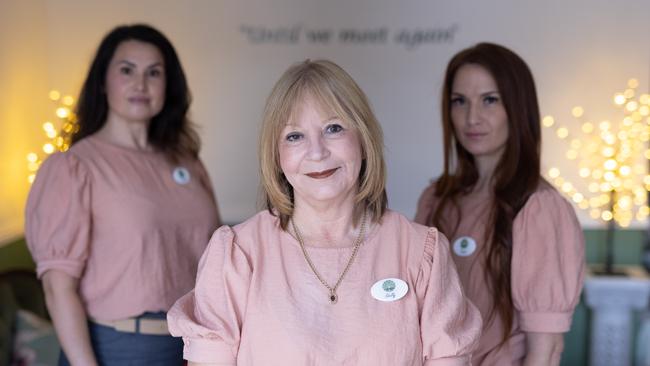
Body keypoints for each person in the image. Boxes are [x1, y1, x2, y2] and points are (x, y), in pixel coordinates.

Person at [167, 59, 482, 365]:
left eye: (334, 128)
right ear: (276, 156)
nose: (317, 152)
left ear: (363, 139)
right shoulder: (237, 255)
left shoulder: (421, 253)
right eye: (294, 136)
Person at [25, 24, 221, 365]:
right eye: (127, 70)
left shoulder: (188, 162)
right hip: (116, 349)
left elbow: (213, 259)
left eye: (154, 73)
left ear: (167, 85)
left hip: (193, 346)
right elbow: (58, 289)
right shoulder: (74, 167)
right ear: (102, 81)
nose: (140, 84)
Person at [415, 42, 585, 365]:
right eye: (459, 101)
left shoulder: (539, 208)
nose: (471, 117)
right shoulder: (436, 200)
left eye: (489, 100)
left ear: (518, 108)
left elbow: (544, 351)